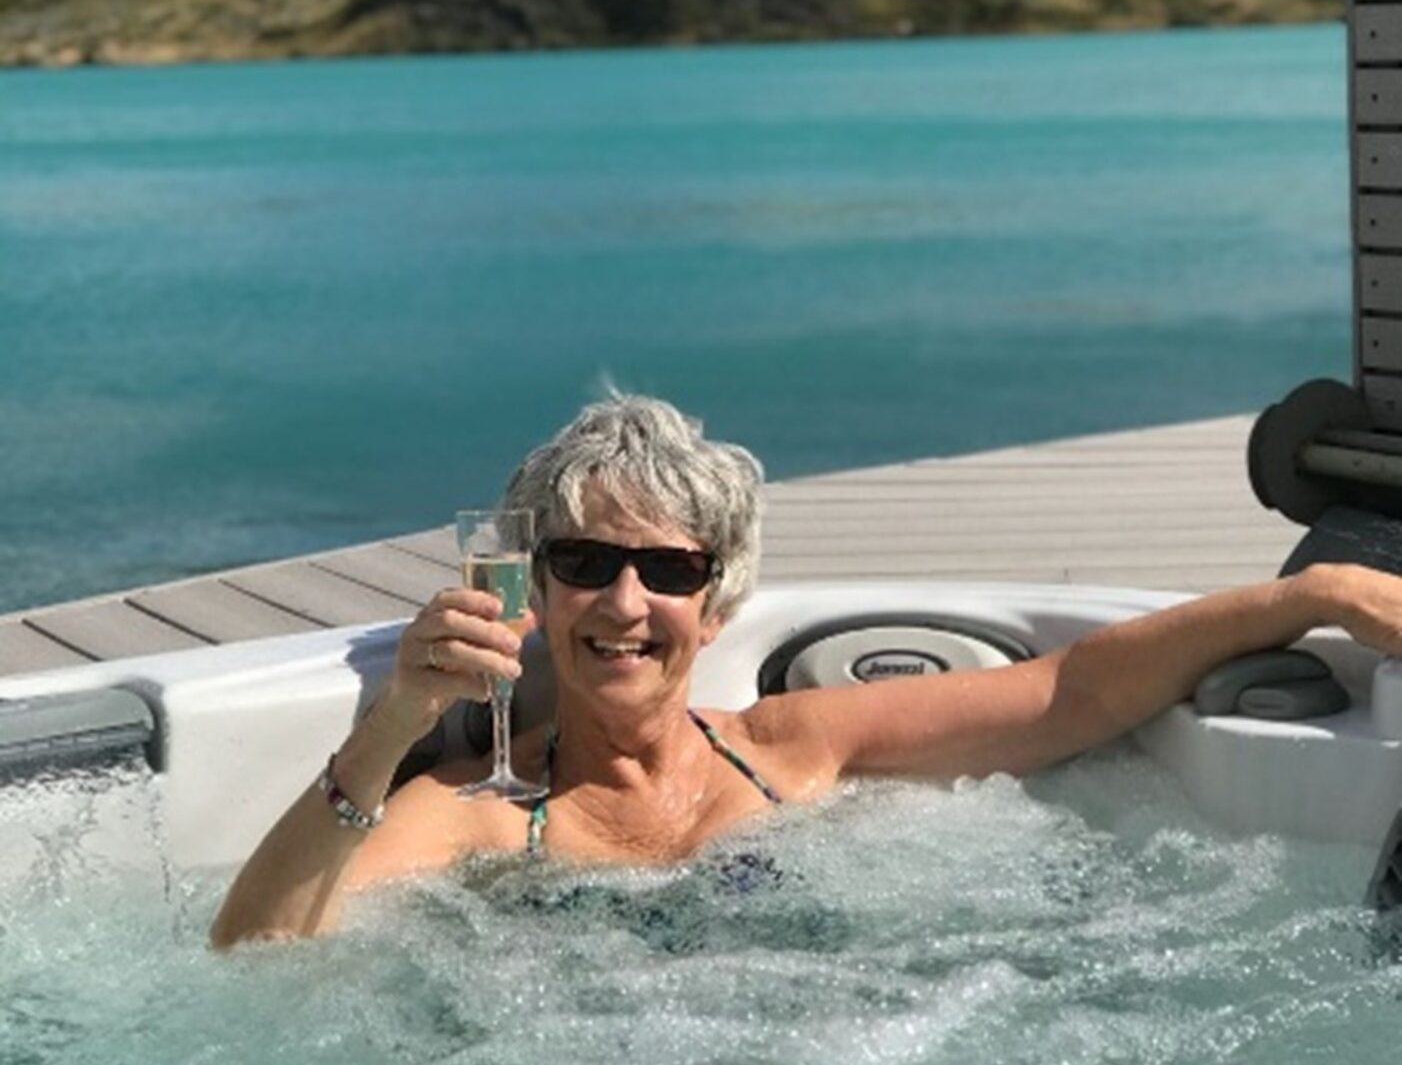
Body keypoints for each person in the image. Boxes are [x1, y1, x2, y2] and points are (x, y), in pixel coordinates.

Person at [211, 393, 1402, 947]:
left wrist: (1317, 593)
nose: (627, 602)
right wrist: (397, 722)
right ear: (533, 585)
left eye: (666, 569)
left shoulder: (792, 743)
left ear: (716, 597)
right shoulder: (479, 817)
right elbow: (255, 950)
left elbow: (1071, 691)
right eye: (584, 560)